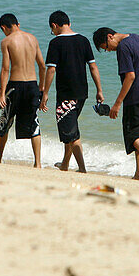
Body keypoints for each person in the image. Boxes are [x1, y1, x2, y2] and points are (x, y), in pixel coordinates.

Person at [92, 27, 139, 182]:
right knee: (138, 133)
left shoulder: (122, 48)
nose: (108, 51)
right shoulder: (137, 38)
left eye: (105, 47)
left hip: (137, 96)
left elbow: (130, 77)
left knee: (131, 135)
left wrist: (117, 104)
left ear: (110, 37)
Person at [41, 10, 103, 173]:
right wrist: (99, 90)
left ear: (54, 25)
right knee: (70, 128)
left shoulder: (55, 43)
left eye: (52, 29)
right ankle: (65, 164)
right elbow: (93, 66)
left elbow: (51, 70)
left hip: (66, 94)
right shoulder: (83, 40)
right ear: (69, 22)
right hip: (82, 93)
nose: (52, 32)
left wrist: (45, 93)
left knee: (71, 134)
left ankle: (82, 168)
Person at [0, 13, 47, 167]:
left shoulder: (6, 41)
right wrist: (41, 89)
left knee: (5, 121)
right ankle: (37, 163)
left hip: (15, 87)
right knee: (34, 123)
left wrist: (2, 94)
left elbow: (5, 69)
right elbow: (42, 66)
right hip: (32, 85)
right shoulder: (33, 39)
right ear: (18, 24)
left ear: (4, 28)